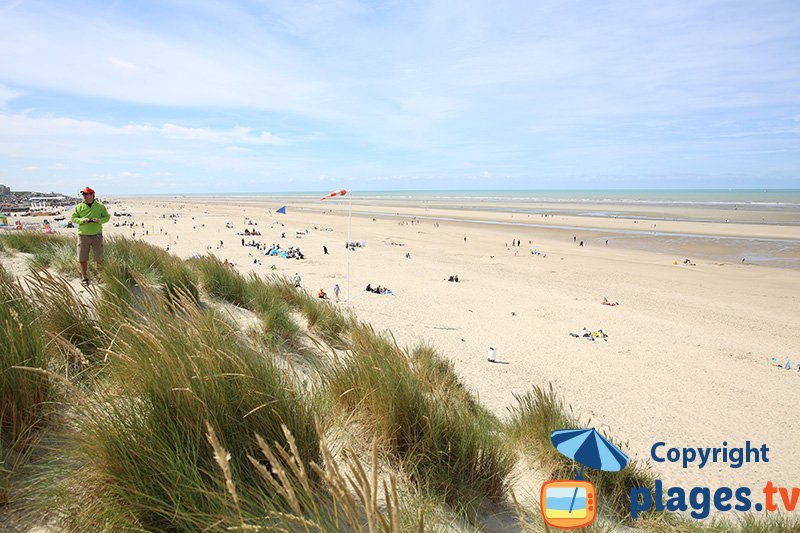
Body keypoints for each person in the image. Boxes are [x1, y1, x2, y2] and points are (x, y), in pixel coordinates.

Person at [70, 186, 110, 286]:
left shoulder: (100, 206)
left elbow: (107, 217)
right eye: (83, 194)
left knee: (99, 258)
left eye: (87, 194)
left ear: (93, 195)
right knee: (82, 258)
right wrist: (81, 220)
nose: (84, 196)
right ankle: (84, 278)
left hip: (97, 235)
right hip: (83, 236)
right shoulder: (79, 207)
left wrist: (99, 220)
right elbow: (73, 218)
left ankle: (100, 277)